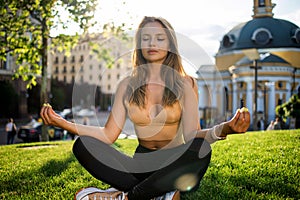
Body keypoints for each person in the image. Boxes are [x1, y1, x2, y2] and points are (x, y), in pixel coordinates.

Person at [40, 16, 250, 200]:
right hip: (140, 166)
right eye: (146, 38)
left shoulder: (186, 83)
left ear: (170, 44)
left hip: (175, 164)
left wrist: (225, 129)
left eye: (159, 38)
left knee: (201, 150)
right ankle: (160, 194)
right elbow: (108, 134)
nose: (152, 43)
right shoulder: (126, 85)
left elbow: (192, 134)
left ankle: (127, 196)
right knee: (83, 145)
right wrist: (63, 122)